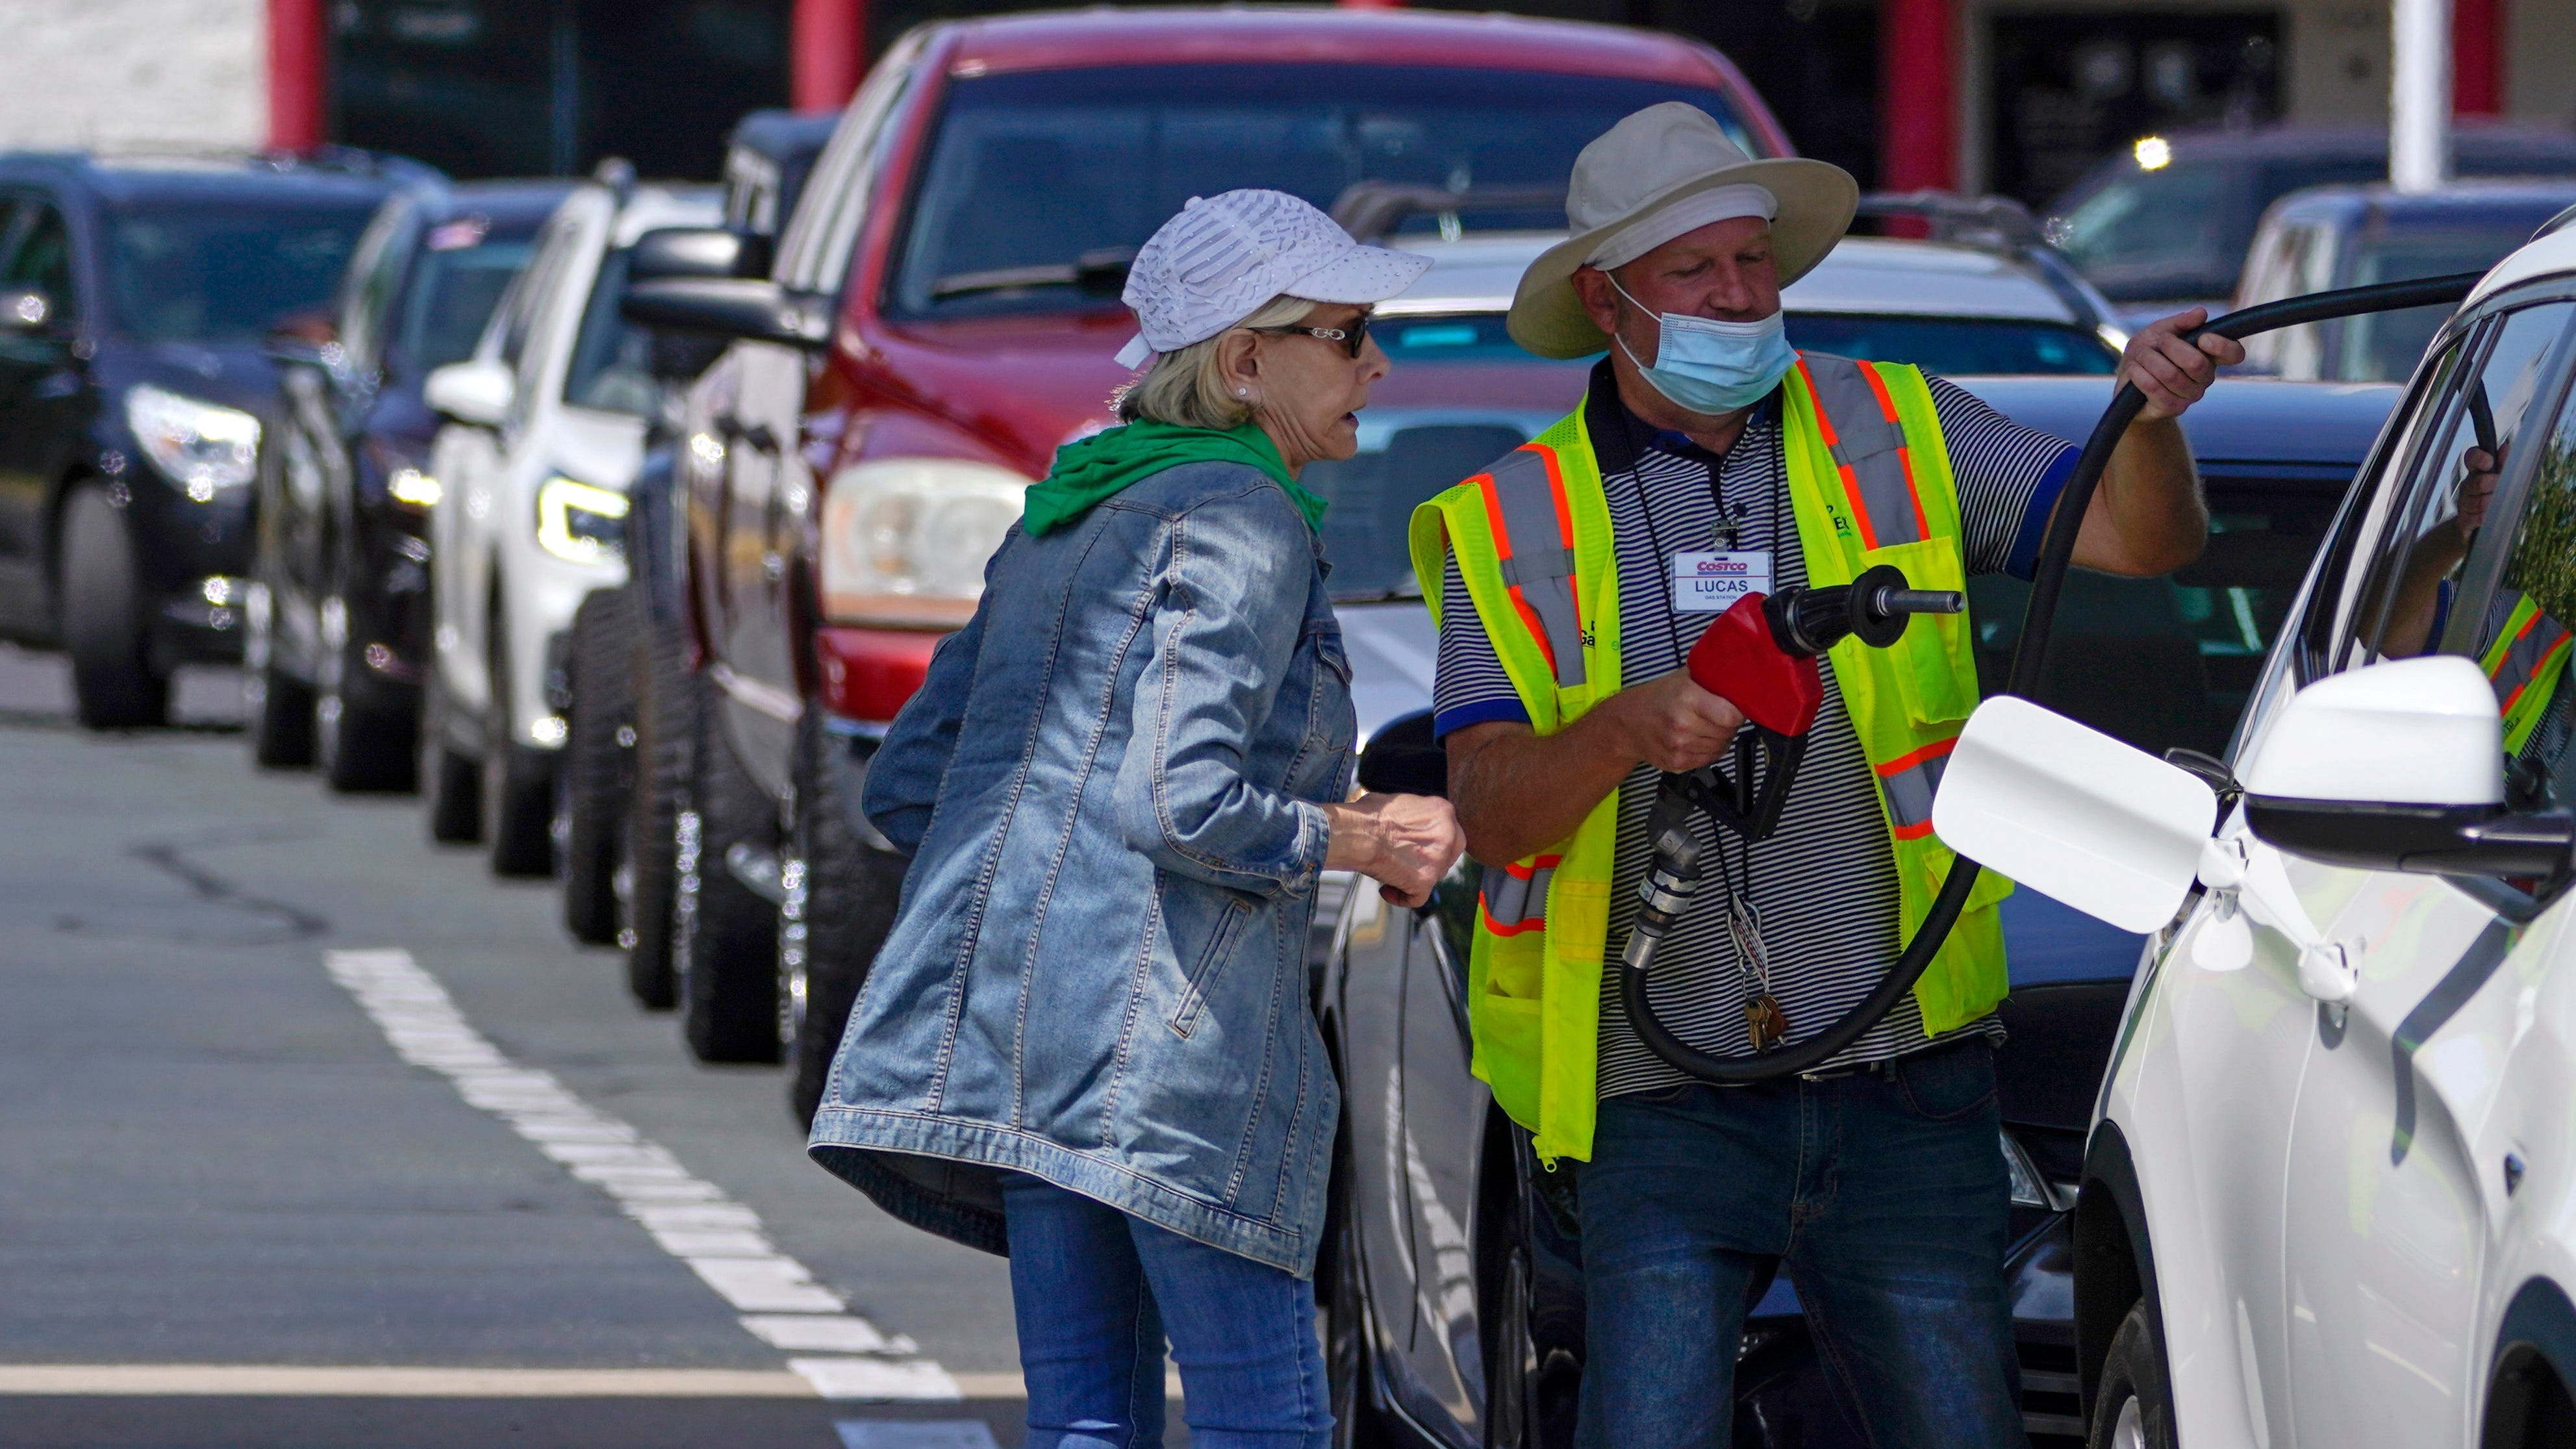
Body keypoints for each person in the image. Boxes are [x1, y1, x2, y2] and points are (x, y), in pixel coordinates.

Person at [1407, 103, 2240, 1446]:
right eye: (1696, 272)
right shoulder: (1513, 519)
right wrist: (1623, 732)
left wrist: (2145, 420)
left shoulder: (1895, 424)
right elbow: (1493, 813)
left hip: (1907, 1085)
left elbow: (2146, 543)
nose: (1741, 294)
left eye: (1753, 261)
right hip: (1657, 1105)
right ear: (1606, 300)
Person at [807, 188, 1466, 1449]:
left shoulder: (1075, 504)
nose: (1374, 361)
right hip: (1176, 1049)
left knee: (1088, 1421)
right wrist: (1365, 832)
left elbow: (909, 782)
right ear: (1244, 359)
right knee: (1263, 1418)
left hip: (1027, 1039)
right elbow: (1181, 799)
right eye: (1346, 332)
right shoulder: (1243, 512)